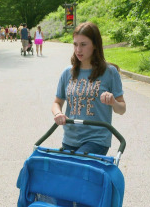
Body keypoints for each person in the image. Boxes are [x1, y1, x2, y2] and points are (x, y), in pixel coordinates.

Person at [51, 22, 126, 156]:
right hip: (70, 138)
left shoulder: (109, 72)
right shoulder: (68, 73)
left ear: (95, 45)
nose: (78, 50)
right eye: (75, 44)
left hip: (97, 139)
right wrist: (58, 114)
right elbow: (57, 102)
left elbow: (122, 109)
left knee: (77, 168)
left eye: (83, 45)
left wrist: (113, 102)